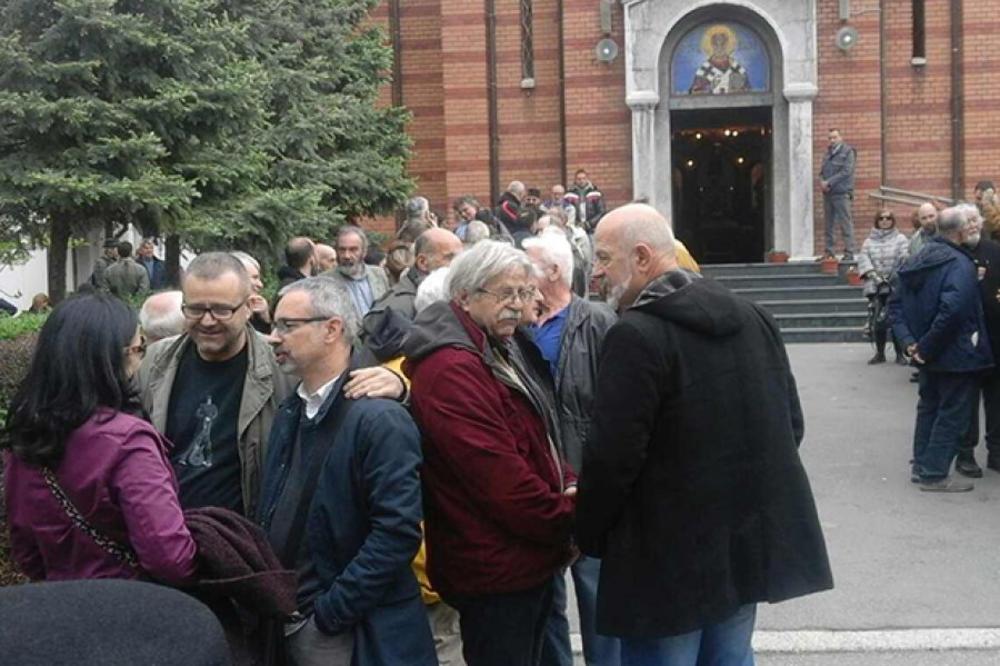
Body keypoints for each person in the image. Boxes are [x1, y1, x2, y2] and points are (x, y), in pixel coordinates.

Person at [576, 204, 833, 665]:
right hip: (741, 542)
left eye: (603, 258)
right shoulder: (753, 316)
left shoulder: (635, 335)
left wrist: (587, 532)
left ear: (641, 257)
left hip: (662, 557)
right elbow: (789, 424)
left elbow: (612, 458)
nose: (595, 272)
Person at [404, 241, 576, 666]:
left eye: (524, 292)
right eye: (505, 294)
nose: (517, 305)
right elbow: (498, 480)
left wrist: (569, 482)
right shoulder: (452, 367)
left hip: (524, 556)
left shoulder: (500, 346)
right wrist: (570, 519)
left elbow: (539, 435)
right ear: (464, 296)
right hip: (496, 568)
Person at [259, 277, 436, 666]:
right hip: (296, 618)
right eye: (274, 325)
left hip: (355, 630)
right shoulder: (292, 409)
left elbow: (396, 533)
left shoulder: (378, 417)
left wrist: (330, 614)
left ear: (332, 329)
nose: (274, 337)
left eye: (288, 325)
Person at [3, 293, 197, 584]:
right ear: (112, 359)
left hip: (56, 598)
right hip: (132, 600)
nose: (142, 359)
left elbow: (26, 550)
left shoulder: (26, 435)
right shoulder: (129, 442)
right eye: (140, 348)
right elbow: (169, 558)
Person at [521, 233, 620, 666]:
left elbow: (616, 406)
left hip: (588, 483)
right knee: (546, 600)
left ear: (554, 271)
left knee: (598, 594)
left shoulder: (597, 320)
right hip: (540, 486)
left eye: (527, 266)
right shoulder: (518, 327)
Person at [137, 252, 295, 518]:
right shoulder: (155, 362)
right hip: (166, 529)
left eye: (222, 310)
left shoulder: (283, 368)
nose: (207, 321)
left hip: (242, 533)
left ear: (249, 307)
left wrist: (378, 378)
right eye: (196, 309)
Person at [889, 207, 994, 492]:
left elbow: (895, 306)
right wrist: (925, 347)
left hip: (926, 351)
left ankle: (922, 466)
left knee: (929, 407)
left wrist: (910, 343)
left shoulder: (918, 257)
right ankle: (934, 473)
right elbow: (953, 311)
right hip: (955, 353)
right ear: (959, 232)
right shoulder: (960, 264)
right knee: (952, 413)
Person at [954, 204, 1000, 477]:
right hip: (964, 341)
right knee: (967, 401)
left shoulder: (995, 251)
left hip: (995, 338)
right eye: (966, 221)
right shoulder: (954, 254)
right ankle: (965, 454)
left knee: (997, 400)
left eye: (974, 220)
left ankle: (997, 451)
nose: (971, 225)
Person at [362, 228, 463, 342]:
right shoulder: (397, 309)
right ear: (423, 262)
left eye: (461, 257)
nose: (459, 264)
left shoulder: (445, 295)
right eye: (450, 258)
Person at [857, 210, 909, 365]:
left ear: (893, 220)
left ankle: (900, 354)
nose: (885, 221)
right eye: (881, 218)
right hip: (876, 286)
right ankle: (880, 353)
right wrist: (877, 278)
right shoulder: (868, 242)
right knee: (878, 320)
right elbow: (864, 260)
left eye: (888, 218)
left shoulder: (901, 239)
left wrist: (892, 277)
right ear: (877, 221)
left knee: (896, 319)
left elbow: (904, 257)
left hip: (895, 284)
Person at [322, 226, 390, 319]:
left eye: (353, 250)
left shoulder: (378, 274)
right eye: (342, 250)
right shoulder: (325, 281)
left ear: (364, 252)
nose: (347, 256)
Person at [819, 129, 857, 261]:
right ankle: (829, 252)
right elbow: (822, 171)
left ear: (841, 137)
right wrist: (822, 182)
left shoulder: (848, 152)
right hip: (828, 193)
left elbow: (847, 171)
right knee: (828, 225)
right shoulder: (827, 153)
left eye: (834, 137)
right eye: (830, 138)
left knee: (845, 223)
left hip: (842, 193)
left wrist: (829, 182)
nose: (832, 140)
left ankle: (849, 253)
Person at [231, 250, 272, 333]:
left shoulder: (257, 312)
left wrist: (265, 319)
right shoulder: (223, 311)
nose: (260, 285)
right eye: (255, 278)